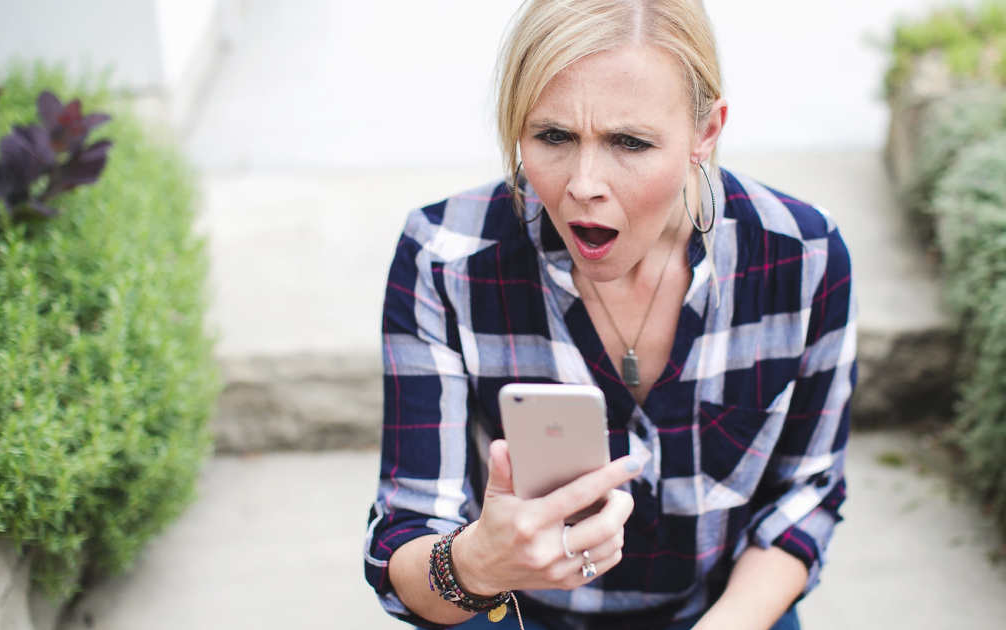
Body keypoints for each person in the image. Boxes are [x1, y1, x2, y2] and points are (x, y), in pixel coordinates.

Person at [364, 1, 855, 628]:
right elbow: (404, 540)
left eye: (630, 142)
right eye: (553, 137)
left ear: (706, 133)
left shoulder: (803, 257)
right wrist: (478, 564)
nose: (583, 184)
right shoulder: (445, 258)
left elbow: (804, 496)